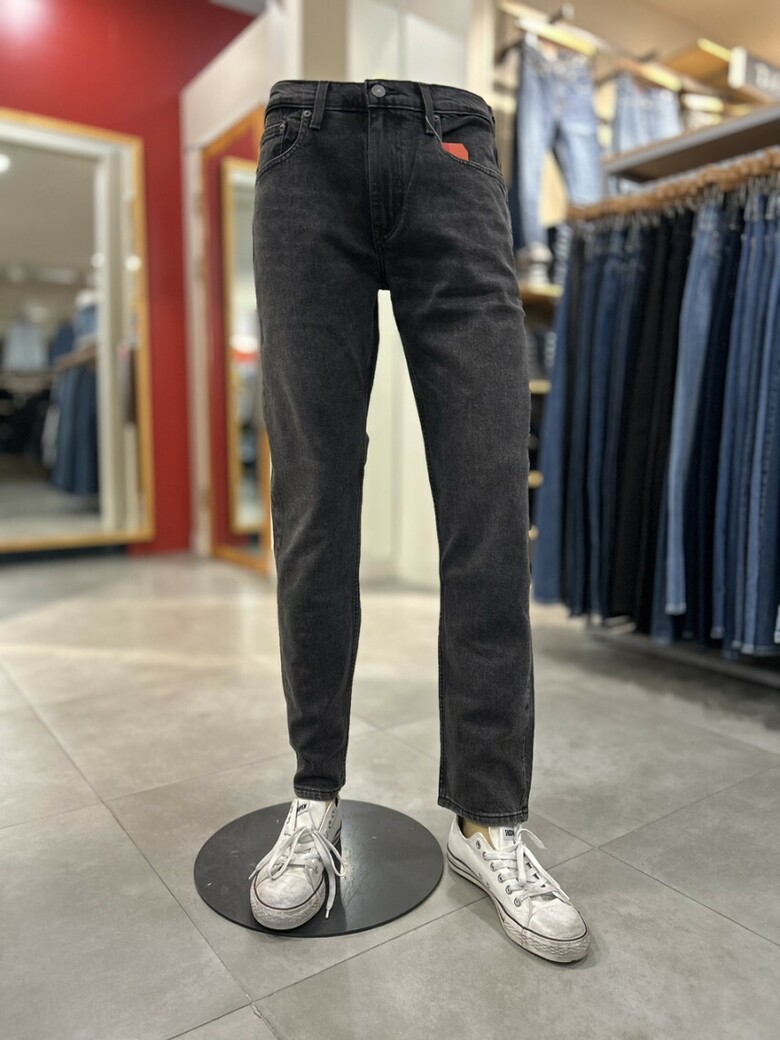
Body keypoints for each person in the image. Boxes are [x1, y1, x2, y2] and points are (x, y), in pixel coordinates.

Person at [247, 78, 590, 964]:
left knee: (488, 506)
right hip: (304, 154)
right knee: (315, 505)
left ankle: (487, 819)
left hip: (454, 154)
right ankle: (314, 797)